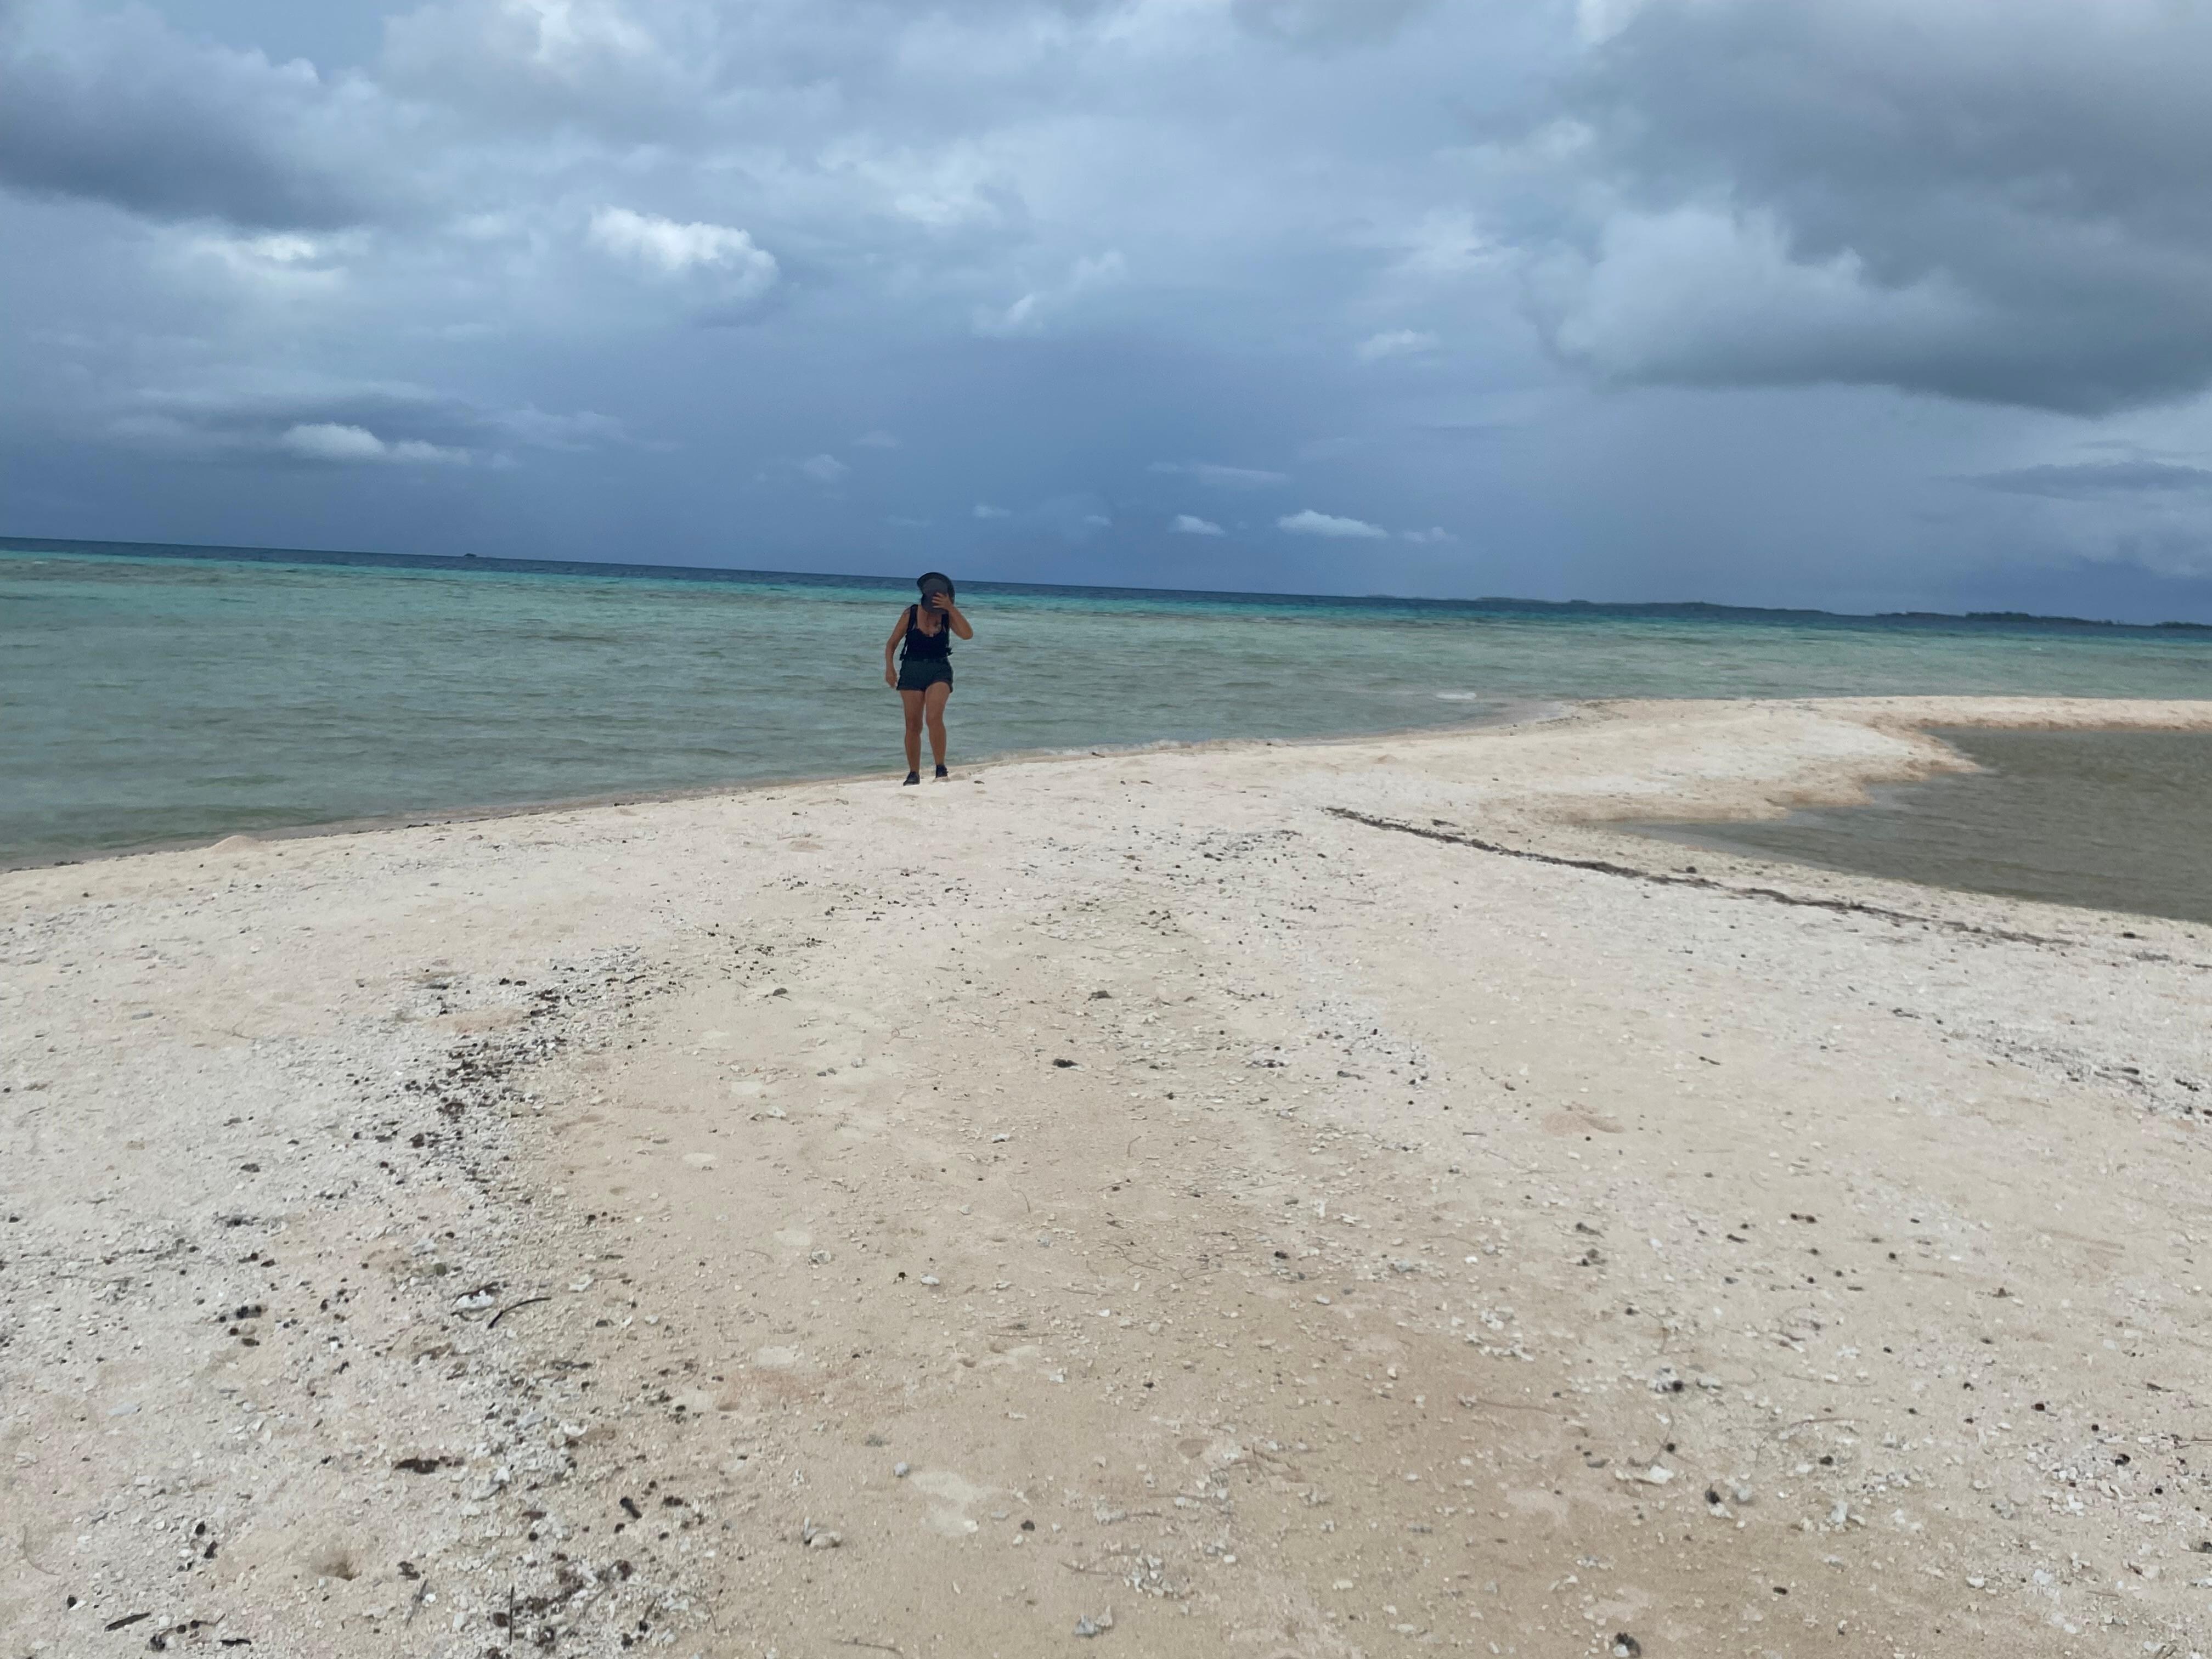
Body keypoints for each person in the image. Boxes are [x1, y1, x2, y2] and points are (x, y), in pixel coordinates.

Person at [884, 571, 973, 784]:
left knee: (934, 717)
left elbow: (967, 634)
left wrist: (951, 608)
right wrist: (890, 668)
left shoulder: (947, 615)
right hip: (912, 669)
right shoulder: (911, 614)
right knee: (913, 725)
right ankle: (914, 772)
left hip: (939, 668)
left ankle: (940, 768)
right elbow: (892, 643)